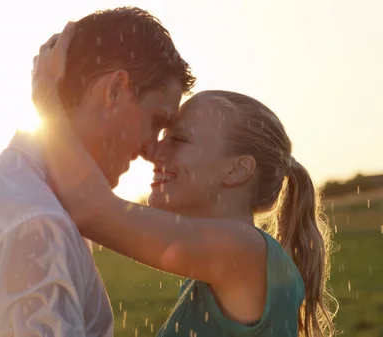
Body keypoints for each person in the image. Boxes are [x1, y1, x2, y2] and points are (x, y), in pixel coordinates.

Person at [31, 24, 338, 337]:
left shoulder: (242, 250)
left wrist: (47, 103)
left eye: (178, 139)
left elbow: (92, 210)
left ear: (237, 170)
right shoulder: (227, 261)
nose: (154, 152)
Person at [0, 7, 196, 337]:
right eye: (156, 122)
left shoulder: (13, 189)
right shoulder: (36, 223)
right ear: (115, 90)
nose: (152, 150)